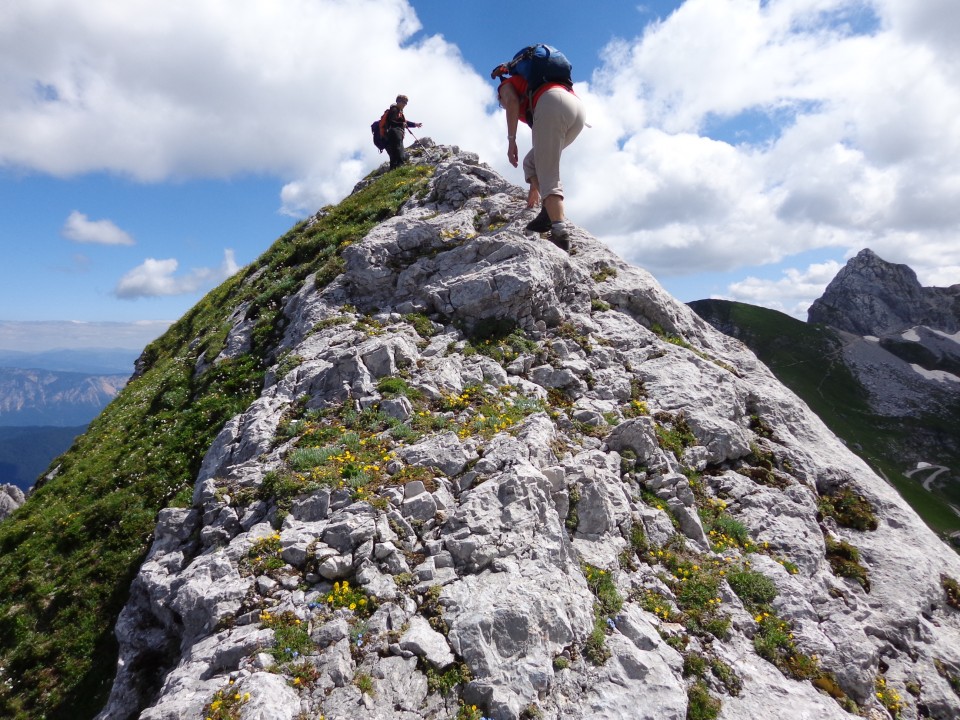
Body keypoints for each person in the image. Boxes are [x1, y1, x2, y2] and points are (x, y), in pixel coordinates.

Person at [492, 48, 586, 251]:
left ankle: (560, 232)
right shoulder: (531, 84)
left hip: (551, 102)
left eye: (500, 103)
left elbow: (512, 102)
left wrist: (511, 140)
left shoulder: (507, 86)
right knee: (532, 162)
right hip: (576, 109)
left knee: (549, 172)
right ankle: (547, 211)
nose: (502, 104)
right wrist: (534, 188)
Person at [382, 94, 422, 170]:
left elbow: (405, 122)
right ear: (398, 101)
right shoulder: (394, 109)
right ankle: (400, 166)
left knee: (394, 151)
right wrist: (401, 124)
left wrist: (415, 124)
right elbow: (391, 121)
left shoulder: (398, 112)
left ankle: (394, 169)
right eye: (403, 102)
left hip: (393, 133)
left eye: (406, 103)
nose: (405, 104)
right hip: (395, 132)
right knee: (399, 148)